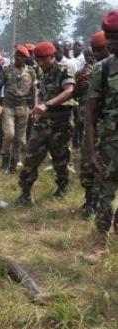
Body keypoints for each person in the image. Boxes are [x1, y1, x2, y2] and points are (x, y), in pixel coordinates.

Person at [16, 41, 76, 204]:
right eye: (37, 59)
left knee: (60, 159)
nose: (39, 63)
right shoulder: (42, 73)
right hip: (43, 123)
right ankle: (25, 194)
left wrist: (47, 104)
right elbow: (42, 93)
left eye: (42, 59)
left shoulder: (64, 70)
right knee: (31, 156)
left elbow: (69, 91)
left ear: (52, 56)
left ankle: (63, 187)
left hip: (61, 123)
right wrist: (38, 108)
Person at [85, 10, 118, 261]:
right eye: (108, 36)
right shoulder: (102, 69)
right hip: (110, 145)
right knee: (105, 193)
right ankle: (99, 242)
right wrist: (91, 151)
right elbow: (90, 115)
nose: (111, 42)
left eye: (115, 36)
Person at [78, 32, 110, 219]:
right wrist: (80, 82)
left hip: (109, 128)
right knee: (88, 164)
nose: (95, 54)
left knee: (106, 168)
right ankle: (90, 201)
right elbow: (80, 97)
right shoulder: (93, 70)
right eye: (93, 50)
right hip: (92, 125)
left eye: (99, 50)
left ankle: (100, 204)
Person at [0, 45, 36, 173]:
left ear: (26, 59)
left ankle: (13, 163)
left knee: (19, 138)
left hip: (23, 107)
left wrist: (33, 107)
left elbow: (34, 91)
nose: (19, 58)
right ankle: (5, 155)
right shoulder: (6, 70)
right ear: (15, 56)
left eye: (22, 57)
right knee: (9, 134)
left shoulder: (31, 72)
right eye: (17, 55)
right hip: (8, 106)